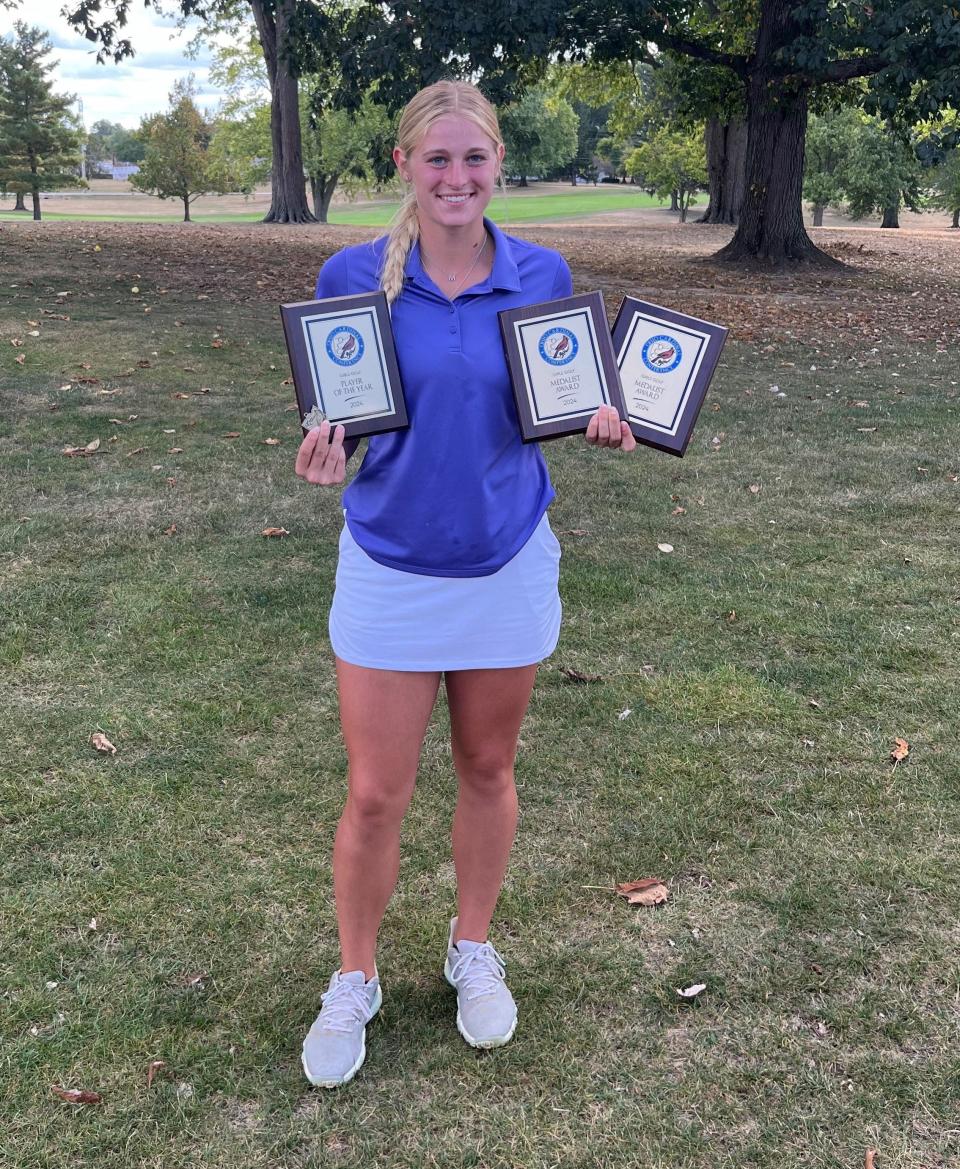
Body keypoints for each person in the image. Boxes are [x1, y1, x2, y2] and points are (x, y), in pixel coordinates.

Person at [294, 79, 635, 1089]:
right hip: (392, 564)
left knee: (488, 768)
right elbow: (339, 418)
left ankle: (471, 946)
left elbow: (559, 399)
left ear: (498, 167)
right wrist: (322, 454)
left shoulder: (542, 274)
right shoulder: (355, 274)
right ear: (404, 165)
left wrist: (599, 417)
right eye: (436, 159)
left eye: (474, 159)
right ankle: (355, 973)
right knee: (374, 792)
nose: (456, 177)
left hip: (503, 558)